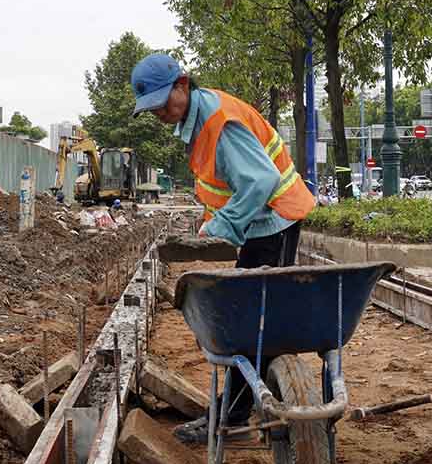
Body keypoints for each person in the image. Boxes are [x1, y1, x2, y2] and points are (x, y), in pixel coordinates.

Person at [130, 53, 316, 444]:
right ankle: (238, 409)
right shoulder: (201, 117)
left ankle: (234, 417)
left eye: (163, 101)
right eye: (152, 108)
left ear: (183, 85)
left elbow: (261, 181)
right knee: (252, 323)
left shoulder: (219, 123)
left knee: (257, 327)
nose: (159, 112)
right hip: (262, 228)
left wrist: (221, 227)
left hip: (275, 223)